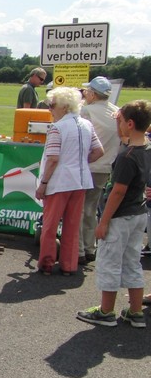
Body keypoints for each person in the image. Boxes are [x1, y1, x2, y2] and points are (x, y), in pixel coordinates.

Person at [76, 100, 151, 328]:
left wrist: (104, 222)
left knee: (109, 262)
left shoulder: (127, 157)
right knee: (132, 262)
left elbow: (118, 191)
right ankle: (135, 311)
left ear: (129, 124)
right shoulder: (146, 148)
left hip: (120, 217)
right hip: (138, 213)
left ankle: (106, 311)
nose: (117, 125)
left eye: (119, 121)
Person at [35, 87, 104, 275]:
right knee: (72, 226)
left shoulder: (57, 128)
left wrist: (43, 184)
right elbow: (99, 151)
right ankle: (69, 265)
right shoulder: (87, 125)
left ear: (64, 106)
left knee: (49, 226)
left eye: (52, 105)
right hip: (80, 181)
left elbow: (53, 159)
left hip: (59, 182)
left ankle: (47, 263)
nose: (50, 109)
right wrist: (81, 162)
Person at [78, 76, 120, 264]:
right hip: (104, 167)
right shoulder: (117, 111)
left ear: (93, 94)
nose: (86, 94)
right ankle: (90, 247)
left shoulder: (86, 111)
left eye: (88, 91)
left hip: (86, 165)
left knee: (79, 209)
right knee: (91, 208)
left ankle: (78, 249)